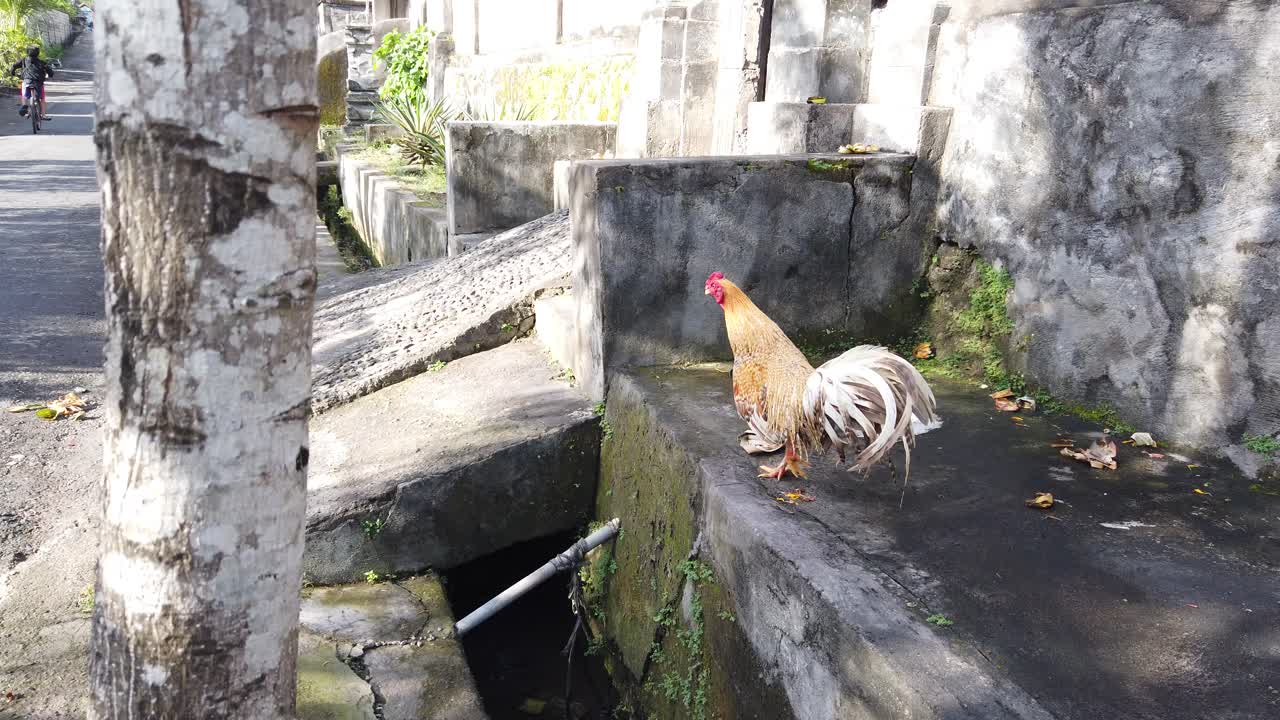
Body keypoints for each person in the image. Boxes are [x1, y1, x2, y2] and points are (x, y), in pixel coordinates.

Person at [9, 46, 54, 121]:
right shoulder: (42, 62)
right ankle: (43, 115)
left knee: (24, 94)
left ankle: (24, 105)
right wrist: (50, 75)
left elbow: (14, 66)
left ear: (27, 52)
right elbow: (49, 71)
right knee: (42, 98)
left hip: (27, 81)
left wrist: (12, 72)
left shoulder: (23, 60)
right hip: (38, 82)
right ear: (38, 53)